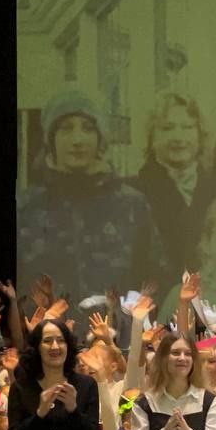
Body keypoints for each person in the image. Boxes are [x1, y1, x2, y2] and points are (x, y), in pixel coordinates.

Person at [17, 88, 161, 302]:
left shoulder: (132, 205)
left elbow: (155, 282)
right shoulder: (25, 208)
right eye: (66, 128)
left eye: (88, 128)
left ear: (100, 139)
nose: (77, 139)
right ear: (51, 139)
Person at [135, 91, 216, 277]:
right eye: (167, 128)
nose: (178, 137)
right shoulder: (134, 192)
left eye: (187, 127)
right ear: (152, 138)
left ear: (200, 135)